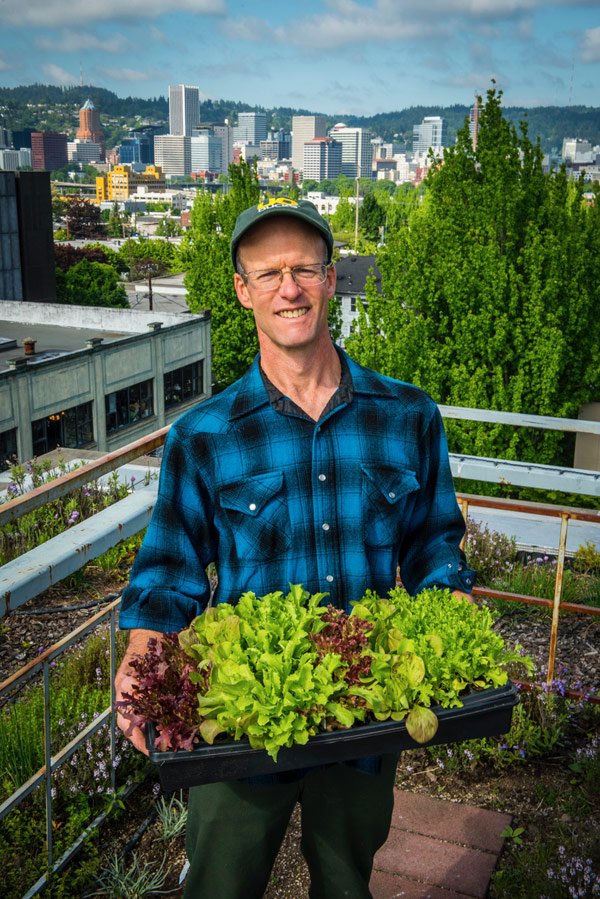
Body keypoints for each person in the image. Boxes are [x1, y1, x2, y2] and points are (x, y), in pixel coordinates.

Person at [115, 198, 475, 899]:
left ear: (332, 279)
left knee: (346, 880)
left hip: (363, 715)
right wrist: (143, 648)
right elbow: (168, 568)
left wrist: (449, 599)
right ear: (244, 290)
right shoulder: (205, 435)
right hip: (243, 729)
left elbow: (433, 539)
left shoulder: (407, 415)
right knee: (221, 881)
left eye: (305, 268)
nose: (290, 287)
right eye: (269, 272)